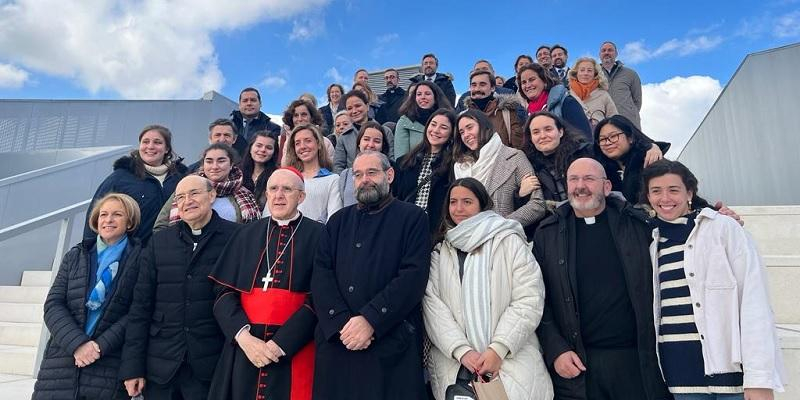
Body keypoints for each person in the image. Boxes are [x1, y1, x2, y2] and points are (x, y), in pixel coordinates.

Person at [641, 160, 785, 400]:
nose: (665, 198)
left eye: (673, 190)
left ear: (689, 193)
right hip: (679, 375)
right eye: (656, 191)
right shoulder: (651, 240)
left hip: (729, 374)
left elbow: (754, 303)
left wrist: (759, 378)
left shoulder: (723, 228)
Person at [533, 157, 672, 400]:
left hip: (635, 361)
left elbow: (679, 222)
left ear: (607, 187)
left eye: (589, 178)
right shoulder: (548, 234)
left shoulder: (638, 225)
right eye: (573, 179)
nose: (580, 185)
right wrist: (556, 350)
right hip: (578, 363)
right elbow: (537, 299)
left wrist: (714, 212)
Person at [312, 151, 431, 399]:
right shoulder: (338, 221)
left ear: (389, 175)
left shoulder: (413, 218)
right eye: (357, 174)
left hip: (389, 340)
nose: (364, 179)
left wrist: (371, 320)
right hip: (338, 339)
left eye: (372, 172)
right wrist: (342, 322)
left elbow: (413, 276)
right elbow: (322, 274)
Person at [423, 178, 553, 400]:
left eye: (467, 201)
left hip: (510, 362)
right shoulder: (440, 251)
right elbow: (433, 307)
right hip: (458, 368)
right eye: (453, 202)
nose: (459, 209)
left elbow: (528, 298)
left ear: (482, 205)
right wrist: (461, 351)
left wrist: (498, 349)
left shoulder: (509, 241)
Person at [207, 168, 324, 400]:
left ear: (301, 197)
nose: (279, 195)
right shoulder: (245, 234)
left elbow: (322, 295)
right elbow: (223, 291)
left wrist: (281, 344)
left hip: (297, 344)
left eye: (287, 189)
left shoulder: (321, 235)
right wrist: (244, 338)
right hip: (245, 347)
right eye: (273, 189)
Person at [120, 175, 239, 399]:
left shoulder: (237, 237)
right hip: (161, 367)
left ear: (212, 195)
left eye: (194, 193)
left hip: (211, 365)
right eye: (181, 197)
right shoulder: (159, 242)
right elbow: (140, 308)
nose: (187, 201)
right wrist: (132, 368)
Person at [33, 193, 143, 400]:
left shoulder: (142, 259)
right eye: (103, 214)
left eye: (117, 214)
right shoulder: (76, 255)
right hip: (64, 360)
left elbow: (138, 312)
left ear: (129, 222)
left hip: (108, 361)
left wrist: (98, 347)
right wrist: (78, 344)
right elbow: (53, 305)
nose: (108, 220)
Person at [84, 124, 186, 244]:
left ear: (167, 149)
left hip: (169, 250)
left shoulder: (181, 179)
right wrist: (89, 250)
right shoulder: (120, 178)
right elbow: (95, 215)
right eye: (145, 142)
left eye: (157, 142)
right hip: (130, 254)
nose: (150, 146)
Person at [453, 110, 546, 229]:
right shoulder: (460, 167)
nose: (466, 135)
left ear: (484, 126)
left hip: (504, 239)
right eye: (461, 132)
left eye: (470, 127)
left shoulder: (514, 157)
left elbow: (537, 204)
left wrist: (499, 226)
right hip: (466, 239)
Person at [154, 143, 261, 230]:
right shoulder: (185, 188)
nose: (214, 166)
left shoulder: (246, 195)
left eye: (221, 161)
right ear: (203, 164)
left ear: (231, 164)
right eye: (209, 161)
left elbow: (254, 232)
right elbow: (160, 226)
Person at [394, 109, 457, 234]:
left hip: (435, 230)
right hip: (406, 226)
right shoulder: (405, 161)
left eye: (443, 127)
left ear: (451, 134)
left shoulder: (454, 164)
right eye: (433, 124)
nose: (436, 130)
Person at [594, 115, 667, 203]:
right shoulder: (601, 170)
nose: (608, 142)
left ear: (630, 138)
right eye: (602, 139)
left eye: (613, 136)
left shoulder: (651, 161)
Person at [523, 111, 593, 203]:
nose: (543, 136)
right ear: (531, 138)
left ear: (560, 132)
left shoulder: (584, 153)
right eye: (536, 132)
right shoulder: (529, 166)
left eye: (548, 129)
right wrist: (521, 195)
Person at [281, 124, 342, 223]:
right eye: (297, 143)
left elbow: (334, 219)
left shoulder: (332, 179)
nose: (303, 147)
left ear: (318, 144)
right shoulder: (287, 180)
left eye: (308, 141)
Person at [517, 63, 593, 139]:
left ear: (544, 81)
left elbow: (585, 138)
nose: (528, 85)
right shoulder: (528, 113)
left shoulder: (566, 102)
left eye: (532, 79)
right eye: (523, 82)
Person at [462, 69, 526, 149]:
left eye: (482, 85)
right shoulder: (464, 117)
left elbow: (517, 148)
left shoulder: (507, 113)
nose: (477, 89)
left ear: (492, 88)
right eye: (474, 85)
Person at [334, 90, 394, 172]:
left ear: (367, 106)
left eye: (358, 106)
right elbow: (338, 166)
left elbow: (391, 161)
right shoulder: (344, 137)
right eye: (349, 108)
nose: (354, 111)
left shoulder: (386, 131)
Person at [394, 81, 453, 160]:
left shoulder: (449, 119)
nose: (423, 97)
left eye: (427, 94)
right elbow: (400, 158)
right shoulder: (404, 121)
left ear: (435, 97)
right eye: (419, 94)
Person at [339, 121, 392, 208]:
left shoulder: (391, 172)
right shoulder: (345, 175)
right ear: (359, 143)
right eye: (366, 139)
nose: (370, 145)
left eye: (377, 141)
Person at [599, 41, 643, 128]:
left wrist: (629, 112)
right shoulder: (594, 75)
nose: (606, 53)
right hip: (603, 123)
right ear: (600, 55)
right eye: (603, 50)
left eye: (610, 50)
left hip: (628, 122)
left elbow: (637, 101)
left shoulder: (630, 74)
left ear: (616, 54)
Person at [279, 99, 335, 163]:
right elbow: (285, 166)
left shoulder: (325, 142)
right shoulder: (288, 143)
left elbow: (331, 166)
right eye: (296, 115)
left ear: (312, 117)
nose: (300, 119)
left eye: (304, 114)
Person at [230, 87, 282, 157]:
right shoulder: (229, 127)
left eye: (253, 100)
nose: (249, 103)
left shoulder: (273, 128)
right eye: (245, 100)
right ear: (239, 105)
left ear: (260, 103)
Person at [569, 57, 618, 127]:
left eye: (589, 70)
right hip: (573, 135)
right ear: (576, 73)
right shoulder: (568, 94)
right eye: (582, 70)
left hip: (597, 136)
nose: (585, 73)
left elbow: (615, 119)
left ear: (595, 74)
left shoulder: (603, 95)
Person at [240, 130, 279, 210]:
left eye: (269, 147)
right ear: (251, 148)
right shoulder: (237, 173)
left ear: (274, 153)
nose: (263, 150)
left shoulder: (277, 176)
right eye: (259, 145)